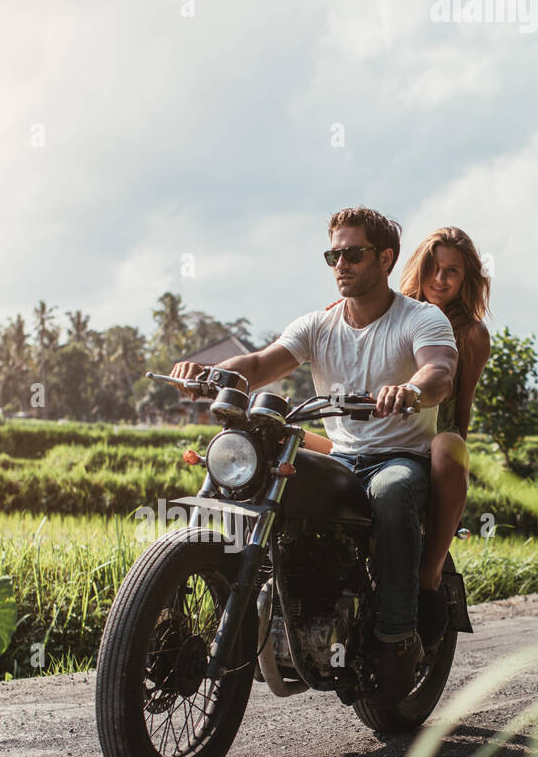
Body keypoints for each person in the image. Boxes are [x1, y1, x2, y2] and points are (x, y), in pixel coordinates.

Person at [170, 206, 456, 705]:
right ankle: (278, 596)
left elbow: (439, 372)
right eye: (333, 254)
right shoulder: (318, 325)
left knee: (390, 494)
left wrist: (411, 391)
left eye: (352, 253)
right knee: (265, 474)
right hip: (341, 457)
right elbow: (259, 364)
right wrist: (211, 374)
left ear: (385, 258)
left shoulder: (421, 318)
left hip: (398, 457)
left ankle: (396, 637)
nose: (340, 263)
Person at [397, 225, 491, 649]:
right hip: (382, 434)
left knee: (447, 445)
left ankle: (430, 574)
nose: (440, 278)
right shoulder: (388, 312)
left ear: (467, 279)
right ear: (419, 269)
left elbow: (463, 403)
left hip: (434, 438)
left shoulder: (471, 333)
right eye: (433, 268)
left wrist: (455, 468)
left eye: (452, 271)